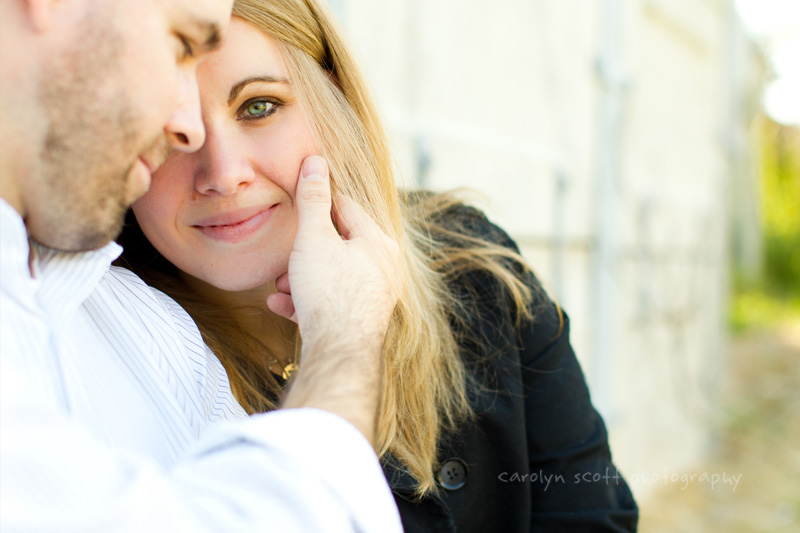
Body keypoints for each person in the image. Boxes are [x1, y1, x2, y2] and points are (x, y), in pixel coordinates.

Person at [117, 0, 640, 530]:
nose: (223, 174)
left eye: (259, 106)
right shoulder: (107, 346)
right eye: (170, 127)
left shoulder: (473, 262)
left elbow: (592, 514)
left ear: (334, 100)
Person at [0, 0, 404, 530]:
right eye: (181, 44)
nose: (187, 129)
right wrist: (345, 341)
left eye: (259, 106)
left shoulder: (146, 327)